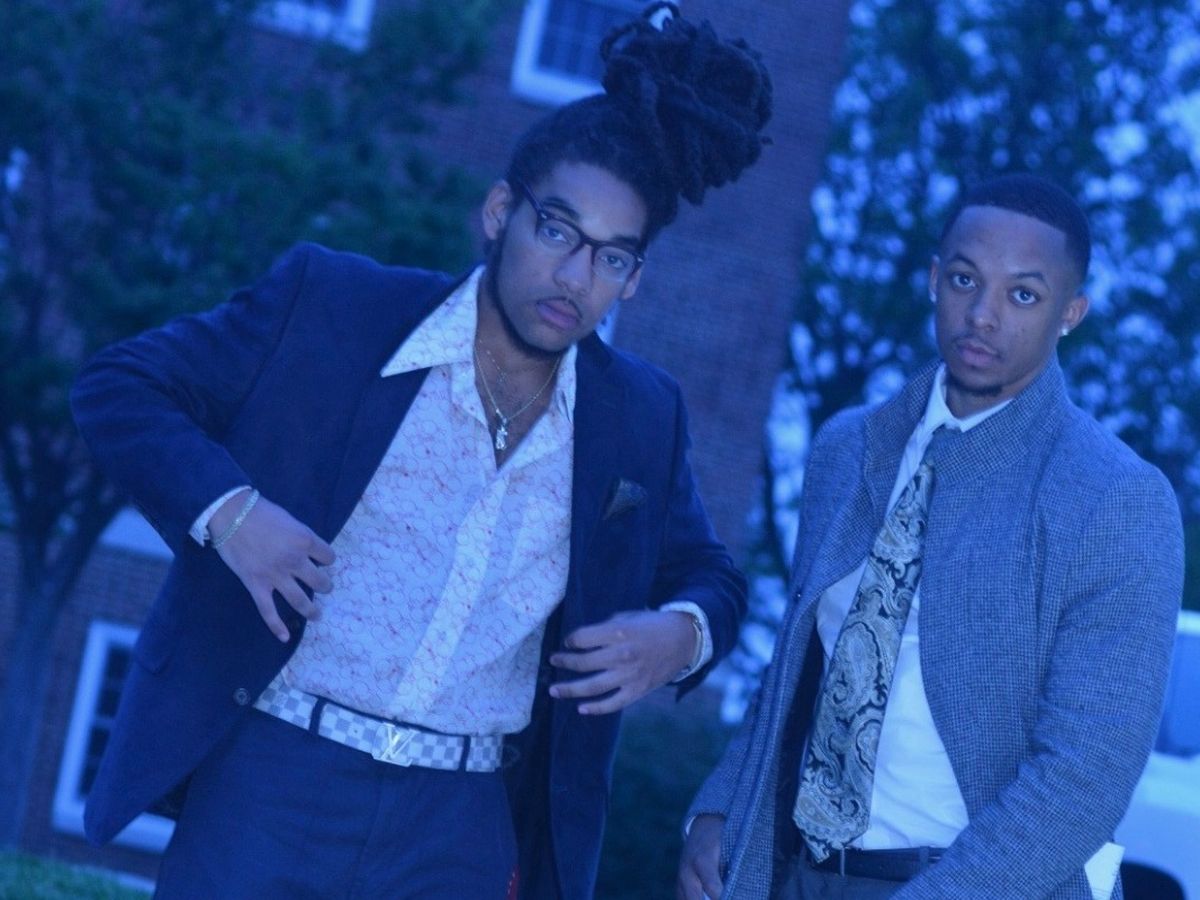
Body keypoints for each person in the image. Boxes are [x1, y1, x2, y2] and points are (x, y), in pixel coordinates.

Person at [71, 6, 772, 898]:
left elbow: (712, 575)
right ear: (501, 212)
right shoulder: (335, 306)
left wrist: (680, 635)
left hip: (458, 826)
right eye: (557, 230)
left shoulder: (641, 414)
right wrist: (233, 515)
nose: (573, 277)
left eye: (610, 258)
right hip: (275, 774)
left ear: (633, 279)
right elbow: (121, 386)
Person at [678, 173, 1185, 900]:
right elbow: (800, 664)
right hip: (793, 872)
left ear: (1071, 313)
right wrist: (723, 803)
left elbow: (1084, 779)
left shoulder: (1116, 500)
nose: (982, 315)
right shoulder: (847, 449)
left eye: (1023, 295)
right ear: (932, 279)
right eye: (964, 280)